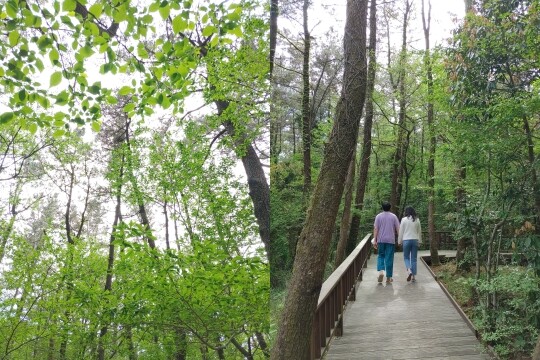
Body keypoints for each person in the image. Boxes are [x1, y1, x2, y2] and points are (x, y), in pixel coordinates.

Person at [373, 201, 400, 284]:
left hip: (381, 240)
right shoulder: (394, 216)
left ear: (382, 207)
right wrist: (399, 239)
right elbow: (398, 229)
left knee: (381, 256)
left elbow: (376, 228)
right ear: (390, 207)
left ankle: (381, 271)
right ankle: (388, 278)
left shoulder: (378, 216)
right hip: (390, 240)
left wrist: (375, 239)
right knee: (389, 258)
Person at [398, 206, 422, 282]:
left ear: (406, 212)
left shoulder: (404, 220)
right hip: (415, 240)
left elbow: (401, 231)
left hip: (406, 240)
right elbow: (419, 231)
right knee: (414, 259)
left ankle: (409, 270)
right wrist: (420, 241)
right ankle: (413, 277)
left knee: (406, 257)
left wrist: (399, 241)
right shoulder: (417, 220)